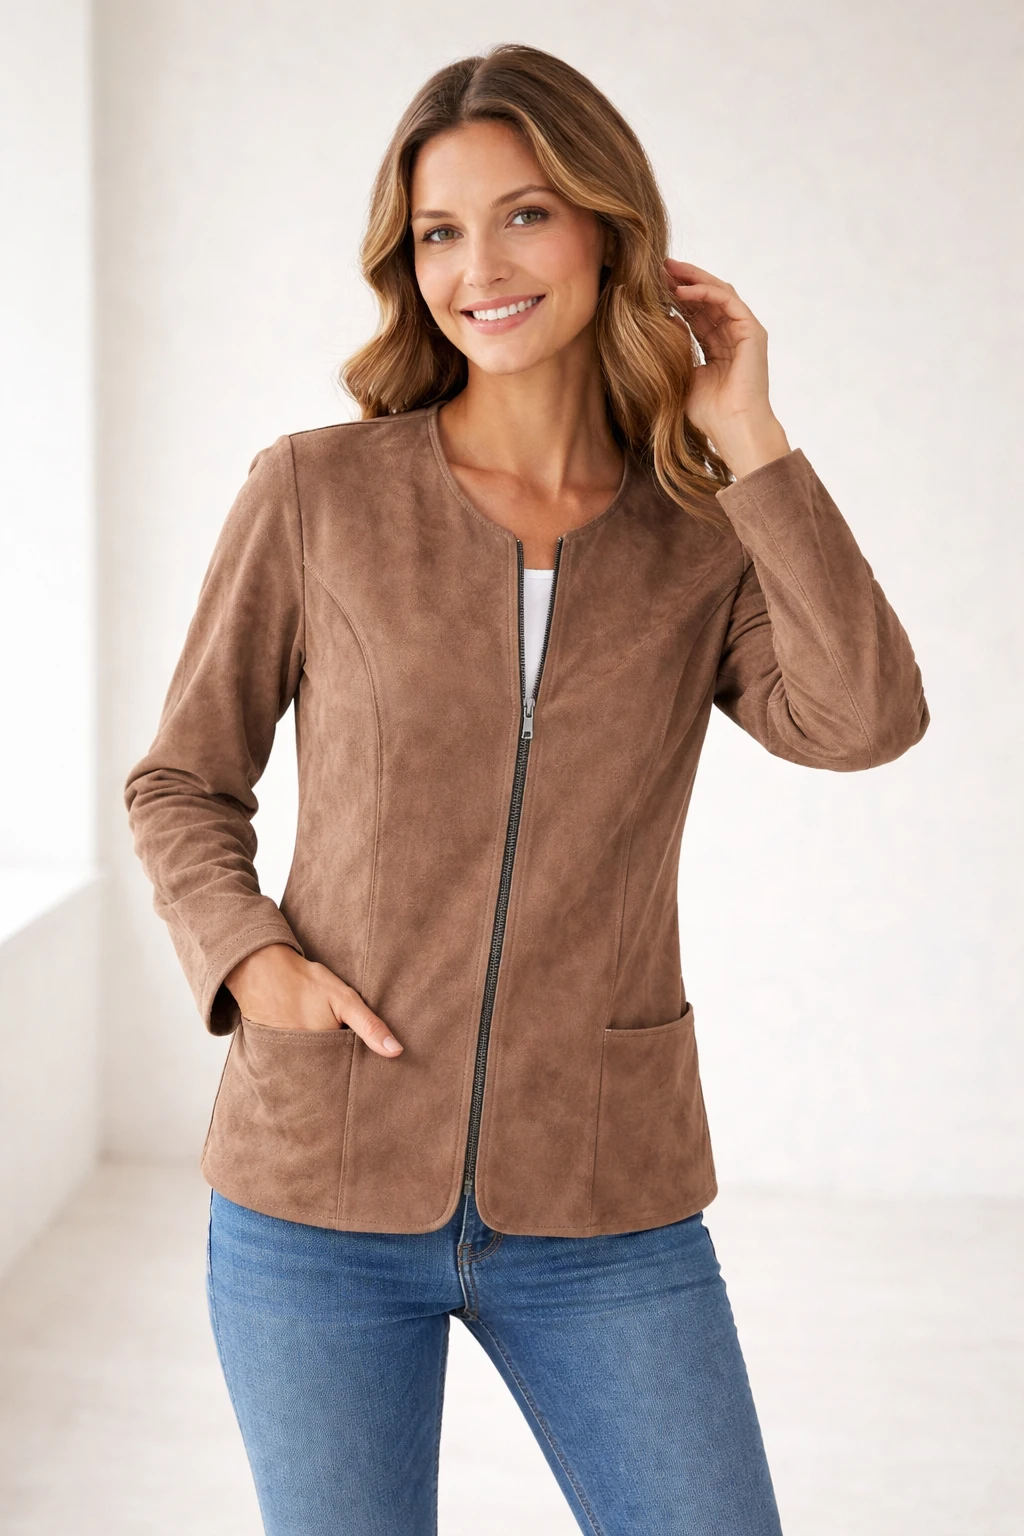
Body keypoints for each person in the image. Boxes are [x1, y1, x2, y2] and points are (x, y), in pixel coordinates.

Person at [123, 41, 929, 1536]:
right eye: (440, 231)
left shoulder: (699, 534)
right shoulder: (316, 494)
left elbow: (863, 720)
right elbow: (183, 779)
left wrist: (749, 438)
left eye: (525, 215)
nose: (478, 268)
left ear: (610, 230)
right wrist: (252, 962)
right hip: (318, 1184)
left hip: (604, 1192)